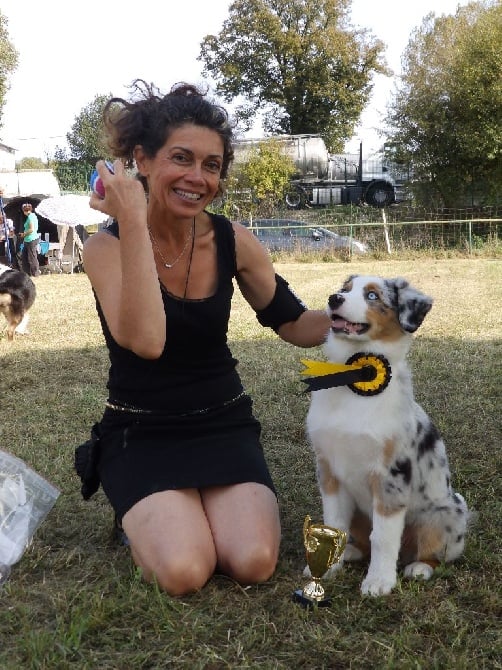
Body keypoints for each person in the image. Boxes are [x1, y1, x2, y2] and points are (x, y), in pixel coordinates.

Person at [80, 80, 331, 597]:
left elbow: (294, 323)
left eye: (212, 165)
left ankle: (182, 509)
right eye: (182, 158)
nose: (198, 177)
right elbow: (148, 341)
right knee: (183, 571)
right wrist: (130, 218)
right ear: (142, 161)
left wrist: (362, 313)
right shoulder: (104, 249)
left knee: (254, 562)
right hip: (142, 431)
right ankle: (145, 511)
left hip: (222, 423)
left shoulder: (233, 240)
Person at [19, 203, 40, 276]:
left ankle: (35, 273)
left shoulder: (31, 217)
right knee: (24, 257)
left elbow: (31, 229)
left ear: (24, 210)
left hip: (32, 239)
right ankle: (26, 273)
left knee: (32, 257)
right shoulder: (32, 216)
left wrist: (24, 234)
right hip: (27, 240)